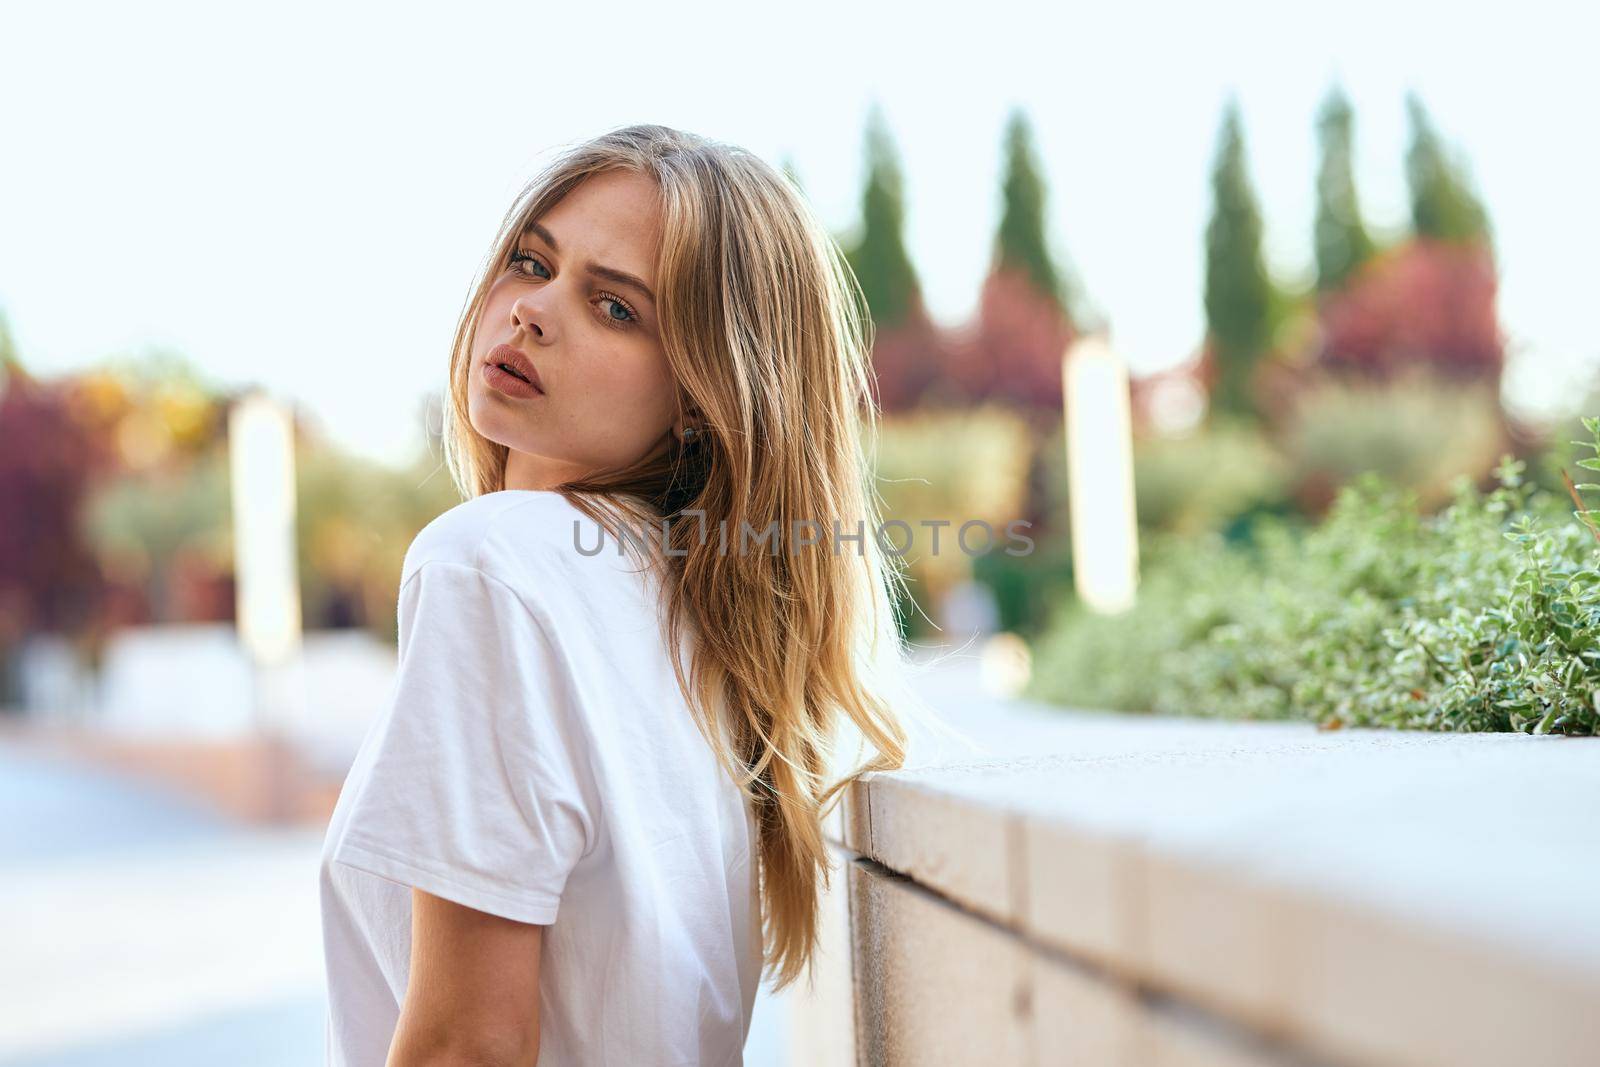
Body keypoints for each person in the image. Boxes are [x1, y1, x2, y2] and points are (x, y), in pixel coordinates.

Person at [317, 124, 963, 1066]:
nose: (533, 311)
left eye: (615, 308)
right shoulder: (702, 618)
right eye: (530, 261)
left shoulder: (492, 563)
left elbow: (470, 1043)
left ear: (706, 394)